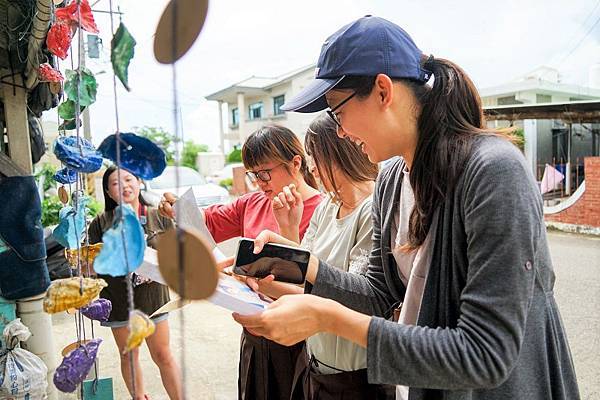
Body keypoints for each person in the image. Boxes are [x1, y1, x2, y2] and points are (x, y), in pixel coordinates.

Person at [232, 16, 580, 400]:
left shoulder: (493, 171)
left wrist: (327, 317)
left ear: (383, 91)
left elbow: (486, 355)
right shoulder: (393, 178)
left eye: (337, 110)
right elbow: (379, 292)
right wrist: (297, 263)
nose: (341, 131)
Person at [159, 125, 322, 400]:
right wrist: (179, 209)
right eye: (253, 175)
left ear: (296, 163)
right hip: (253, 332)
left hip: (299, 338)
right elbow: (207, 222)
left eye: (265, 173)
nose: (260, 182)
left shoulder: (321, 210)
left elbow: (317, 285)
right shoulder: (252, 202)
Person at [249, 115, 396, 399]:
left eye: (315, 156)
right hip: (316, 365)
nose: (311, 167)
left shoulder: (373, 208)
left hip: (358, 378)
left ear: (339, 151)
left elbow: (362, 295)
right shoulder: (327, 205)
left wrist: (292, 263)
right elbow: (304, 285)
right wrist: (259, 282)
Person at [88, 166, 182, 400]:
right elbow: (92, 266)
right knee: (128, 355)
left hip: (154, 299)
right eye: (116, 183)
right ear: (109, 193)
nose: (125, 186)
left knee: (162, 354)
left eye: (129, 179)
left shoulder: (158, 216)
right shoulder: (100, 224)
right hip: (118, 300)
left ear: (139, 183)